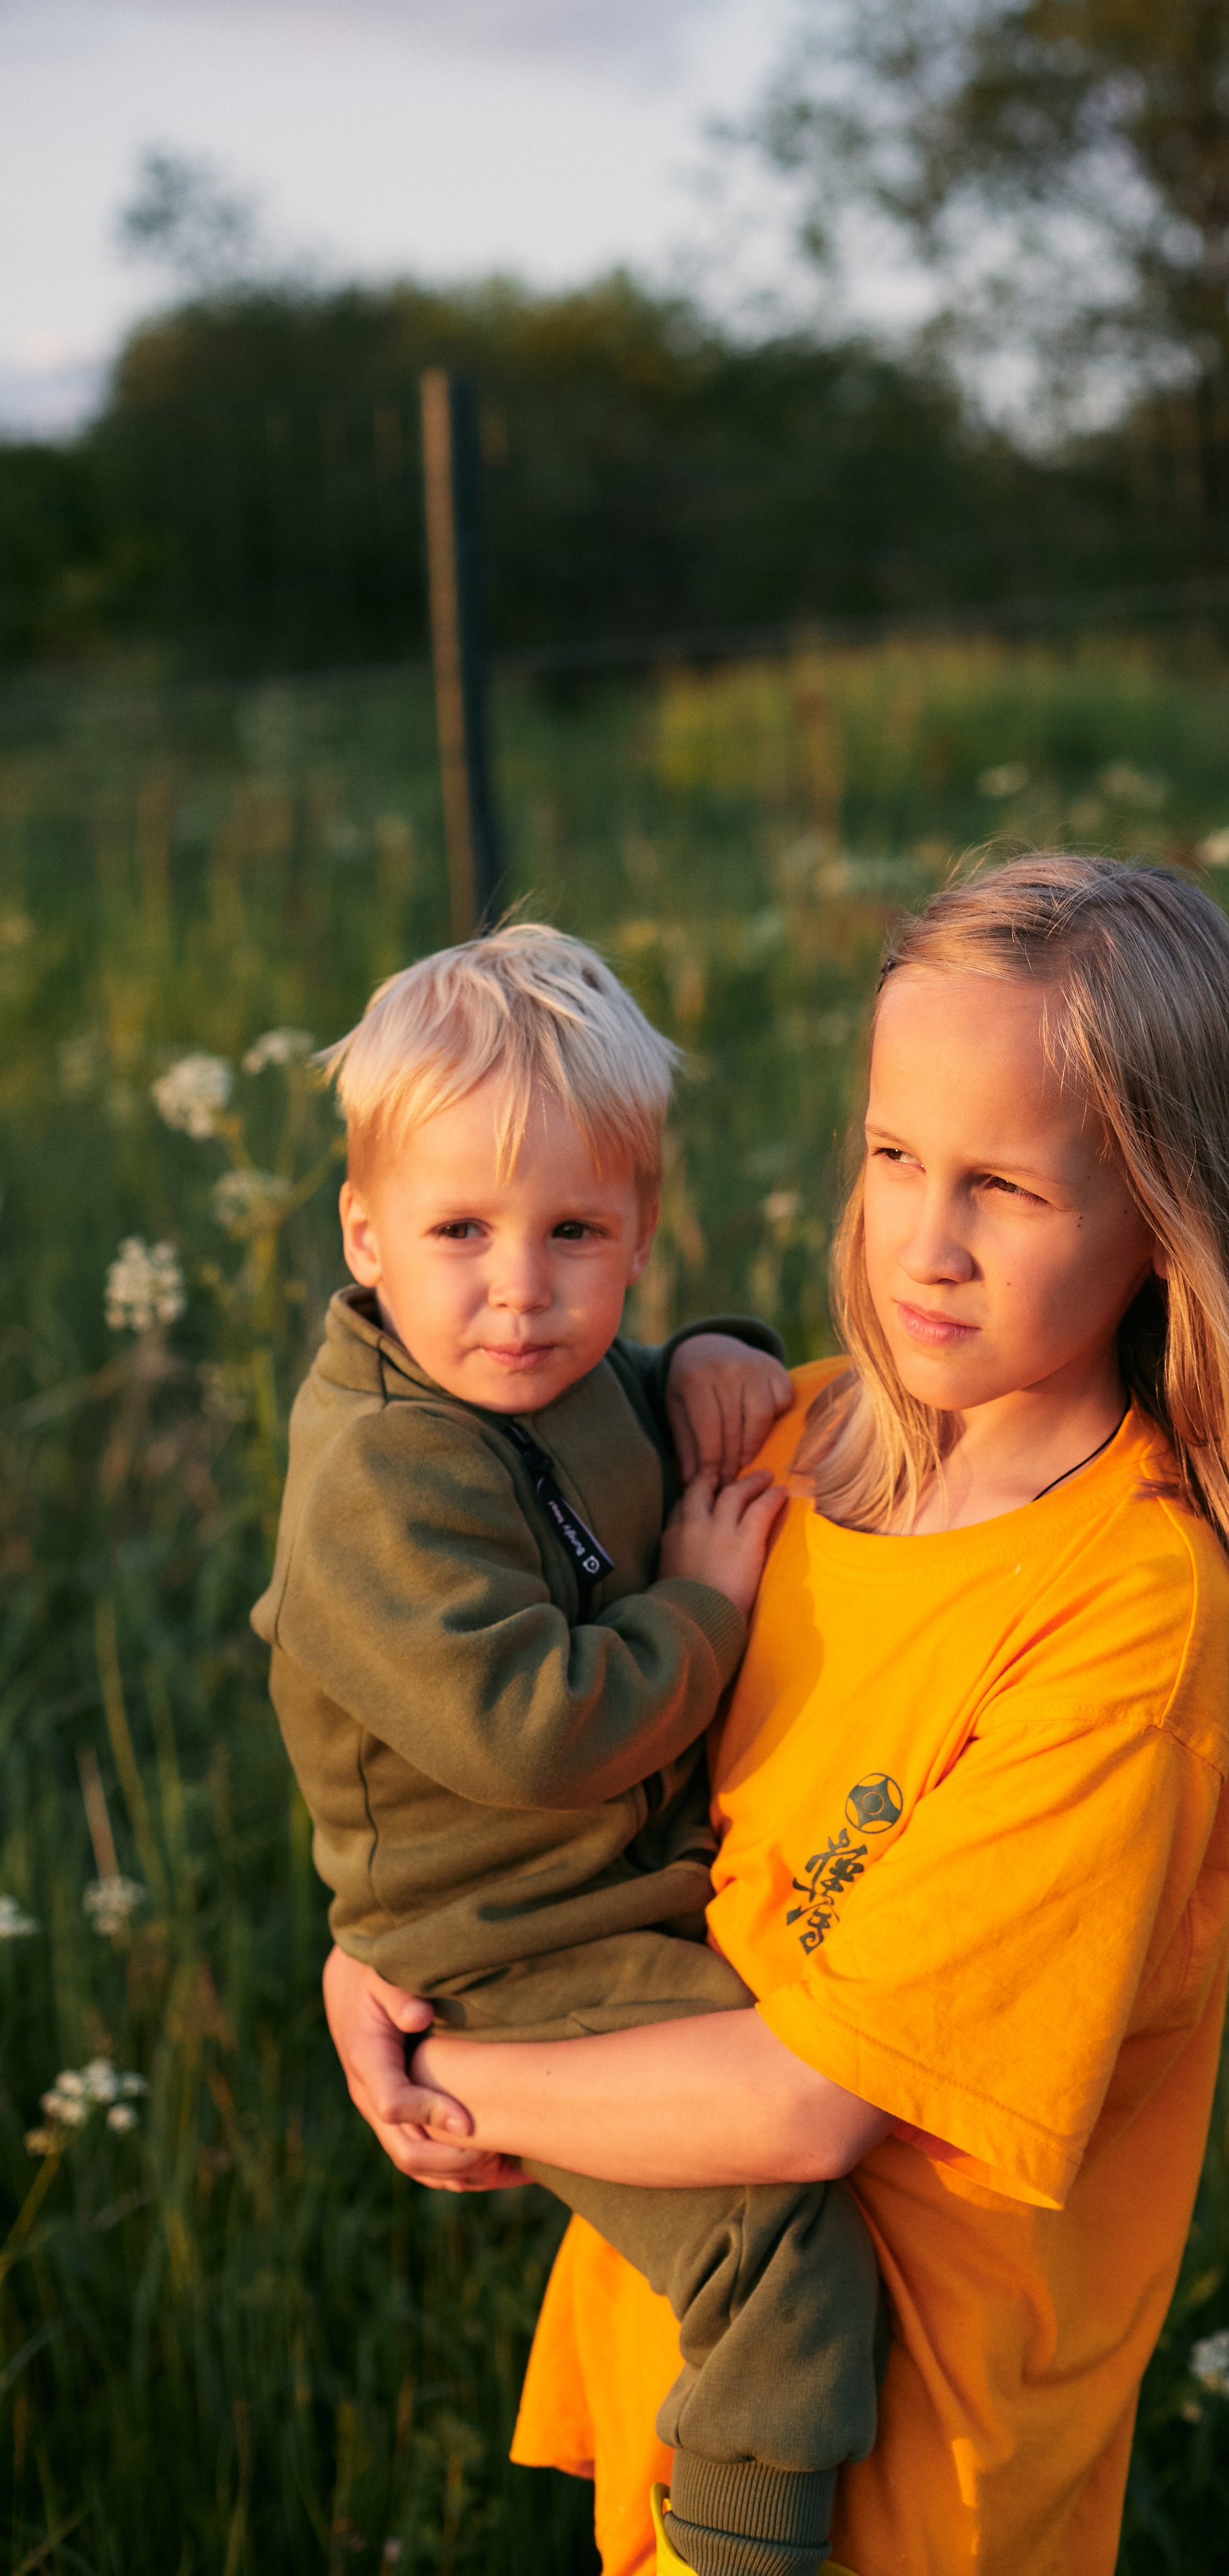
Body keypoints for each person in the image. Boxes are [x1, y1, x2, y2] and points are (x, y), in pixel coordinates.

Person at [325, 854, 1229, 2576]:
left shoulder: (1123, 1620)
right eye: (891, 1156)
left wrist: (444, 2074)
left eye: (1005, 1186)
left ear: (1164, 1219)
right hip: (684, 2348)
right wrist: (381, 1952)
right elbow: (513, 1757)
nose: (924, 1245)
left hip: (908, 2469)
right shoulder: (769, 1450)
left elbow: (809, 2112)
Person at [255, 925, 884, 2576]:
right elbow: (534, 1731)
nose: (521, 1290)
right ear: (364, 1231)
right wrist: (703, 1605)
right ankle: (741, 2549)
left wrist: (717, 1352)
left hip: (613, 1884)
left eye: (574, 1234)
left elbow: (631, 1398)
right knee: (773, 2236)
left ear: (637, 1237)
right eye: (459, 1230)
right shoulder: (381, 1479)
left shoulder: (555, 1367)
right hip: (508, 1942)